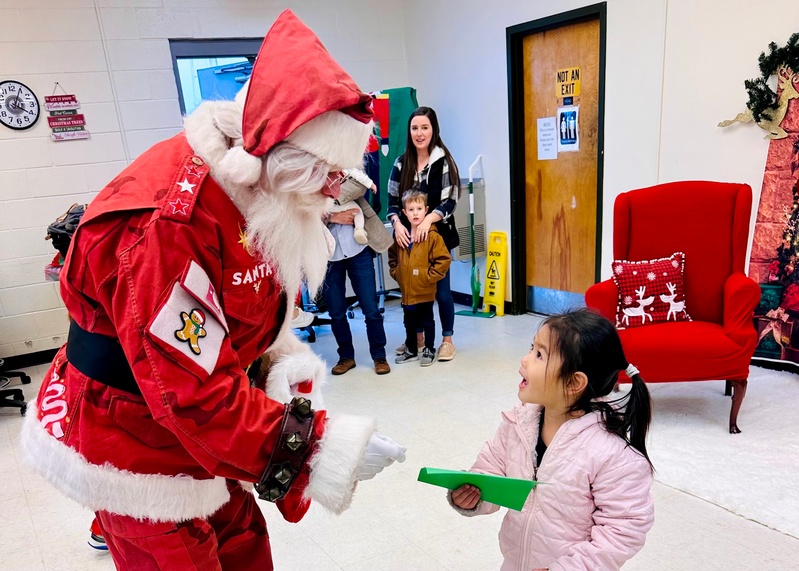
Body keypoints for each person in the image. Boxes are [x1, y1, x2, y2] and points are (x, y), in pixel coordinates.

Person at [20, 10, 406, 571]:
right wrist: (319, 448)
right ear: (282, 156)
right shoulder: (169, 228)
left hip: (199, 427)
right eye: (327, 175)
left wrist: (285, 375)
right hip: (135, 439)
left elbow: (246, 308)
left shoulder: (256, 190)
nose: (332, 194)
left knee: (244, 543)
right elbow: (192, 392)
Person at [449, 309, 654, 571]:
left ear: (573, 382)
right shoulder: (518, 423)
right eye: (531, 347)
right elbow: (492, 469)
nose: (524, 360)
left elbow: (623, 528)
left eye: (539, 355)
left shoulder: (611, 454)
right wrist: (474, 496)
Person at [387, 106, 460, 361]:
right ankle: (416, 339)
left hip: (437, 238)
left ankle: (447, 340)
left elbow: (450, 200)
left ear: (433, 130)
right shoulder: (400, 162)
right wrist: (397, 223)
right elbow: (392, 201)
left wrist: (428, 219)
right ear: (409, 131)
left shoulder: (443, 160)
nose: (419, 133)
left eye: (425, 127)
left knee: (441, 292)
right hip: (408, 241)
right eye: (415, 128)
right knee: (415, 291)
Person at [323, 166, 393, 376]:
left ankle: (379, 355)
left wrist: (326, 202)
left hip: (358, 248)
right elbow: (301, 209)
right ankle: (346, 357)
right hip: (328, 254)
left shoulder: (347, 163)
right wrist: (331, 217)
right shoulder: (307, 173)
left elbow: (360, 186)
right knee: (336, 311)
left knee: (370, 308)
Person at [388, 190, 452, 366]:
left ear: (426, 210)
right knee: (409, 322)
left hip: (425, 290)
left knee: (427, 321)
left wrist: (428, 278)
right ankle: (411, 349)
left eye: (419, 208)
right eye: (411, 209)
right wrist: (397, 274)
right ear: (404, 212)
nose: (415, 213)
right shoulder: (401, 236)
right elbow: (392, 257)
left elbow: (444, 260)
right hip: (407, 292)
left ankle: (429, 349)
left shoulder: (432, 236)